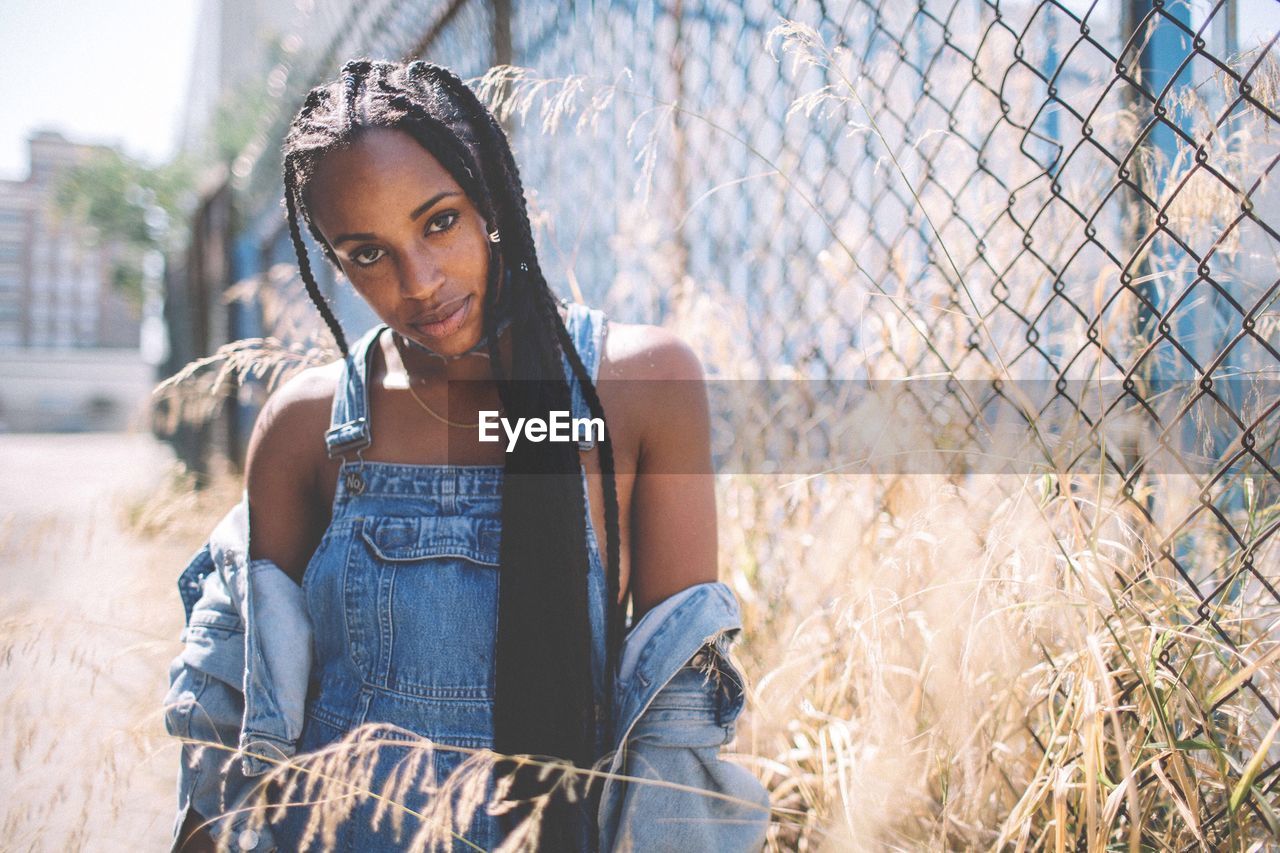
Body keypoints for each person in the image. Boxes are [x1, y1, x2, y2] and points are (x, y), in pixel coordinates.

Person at [163, 58, 769, 851]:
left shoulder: (641, 387)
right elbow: (241, 727)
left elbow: (674, 720)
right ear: (334, 263)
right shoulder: (304, 429)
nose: (420, 282)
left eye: (439, 221)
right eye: (367, 253)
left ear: (489, 198)